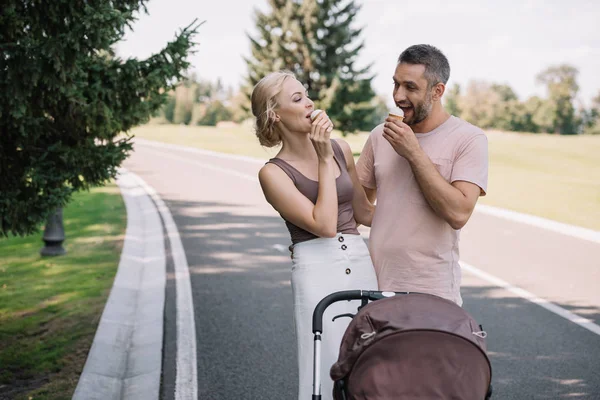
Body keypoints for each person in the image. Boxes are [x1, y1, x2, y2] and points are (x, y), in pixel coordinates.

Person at [251, 70, 378, 400]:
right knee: (323, 369)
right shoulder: (273, 173)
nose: (309, 103)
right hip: (317, 272)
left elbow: (365, 214)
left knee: (369, 364)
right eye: (297, 99)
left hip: (361, 264)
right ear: (275, 114)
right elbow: (324, 225)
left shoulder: (341, 148)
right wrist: (323, 157)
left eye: (306, 95)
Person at [356, 44, 489, 306]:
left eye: (410, 87)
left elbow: (458, 213)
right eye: (396, 84)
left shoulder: (469, 139)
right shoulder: (378, 136)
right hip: (372, 288)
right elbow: (358, 210)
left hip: (431, 294)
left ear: (437, 91)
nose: (398, 96)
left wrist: (413, 152)